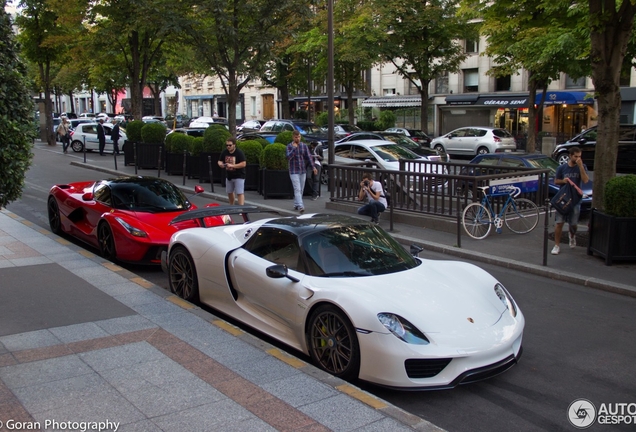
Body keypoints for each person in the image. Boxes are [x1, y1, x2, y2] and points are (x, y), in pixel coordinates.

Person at [552, 146, 589, 255]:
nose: (578, 158)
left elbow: (585, 180)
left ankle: (572, 236)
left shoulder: (581, 167)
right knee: (559, 222)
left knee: (573, 223)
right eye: (576, 156)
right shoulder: (562, 168)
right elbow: (556, 181)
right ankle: (556, 245)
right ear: (570, 156)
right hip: (563, 198)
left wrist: (581, 166)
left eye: (579, 157)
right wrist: (563, 181)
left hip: (575, 199)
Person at [287, 130, 317, 214]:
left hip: (302, 170)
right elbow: (288, 157)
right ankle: (301, 206)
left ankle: (296, 204)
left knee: (301, 189)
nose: (298, 139)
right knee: (297, 188)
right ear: (293, 137)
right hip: (293, 171)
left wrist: (313, 167)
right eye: (296, 137)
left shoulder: (304, 146)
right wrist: (294, 148)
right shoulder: (289, 146)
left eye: (299, 137)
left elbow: (308, 157)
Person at [218, 138, 246, 205]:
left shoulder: (239, 153)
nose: (228, 147)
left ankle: (241, 208)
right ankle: (231, 206)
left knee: (239, 192)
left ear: (234, 145)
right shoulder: (225, 152)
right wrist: (220, 164)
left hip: (239, 175)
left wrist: (233, 166)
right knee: (229, 192)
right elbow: (220, 160)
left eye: (230, 145)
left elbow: (243, 164)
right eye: (227, 145)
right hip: (229, 175)